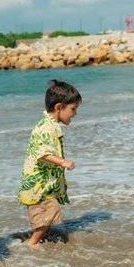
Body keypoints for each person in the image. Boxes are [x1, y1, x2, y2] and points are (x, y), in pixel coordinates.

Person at [18, 79, 81, 247]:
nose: (75, 114)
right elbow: (42, 153)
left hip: (44, 183)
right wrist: (63, 162)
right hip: (38, 184)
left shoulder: (51, 125)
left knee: (47, 214)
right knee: (49, 212)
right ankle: (32, 243)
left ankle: (37, 238)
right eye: (73, 109)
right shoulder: (46, 127)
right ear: (58, 107)